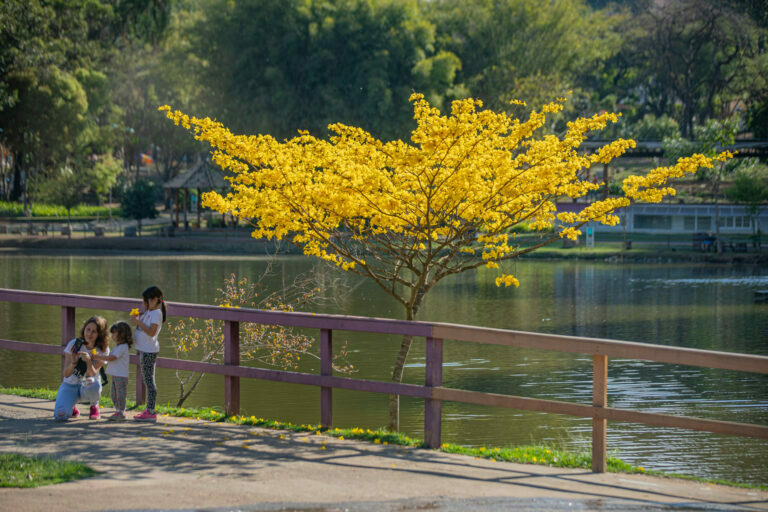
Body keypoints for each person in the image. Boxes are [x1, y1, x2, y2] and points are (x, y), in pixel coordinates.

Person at [53, 316, 110, 421]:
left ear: (100, 334)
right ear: (84, 329)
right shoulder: (74, 344)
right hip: (70, 385)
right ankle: (71, 405)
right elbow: (66, 374)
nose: (89, 334)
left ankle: (94, 406)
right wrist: (73, 363)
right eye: (88, 329)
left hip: (88, 385)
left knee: (94, 383)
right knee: (60, 416)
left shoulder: (103, 349)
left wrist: (88, 361)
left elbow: (92, 374)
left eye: (94, 331)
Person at [130, 285, 166, 422]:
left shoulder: (157, 313)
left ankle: (151, 411)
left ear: (155, 299)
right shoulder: (150, 312)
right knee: (147, 379)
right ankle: (148, 410)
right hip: (144, 350)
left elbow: (151, 332)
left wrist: (139, 321)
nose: (144, 303)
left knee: (149, 381)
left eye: (146, 301)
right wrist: (138, 319)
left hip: (149, 351)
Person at [94, 321, 133, 421]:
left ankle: (121, 411)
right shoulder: (118, 347)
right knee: (113, 394)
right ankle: (118, 410)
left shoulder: (122, 347)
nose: (112, 336)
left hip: (121, 375)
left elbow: (112, 358)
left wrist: (100, 356)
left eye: (114, 333)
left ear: (121, 334)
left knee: (120, 394)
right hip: (116, 374)